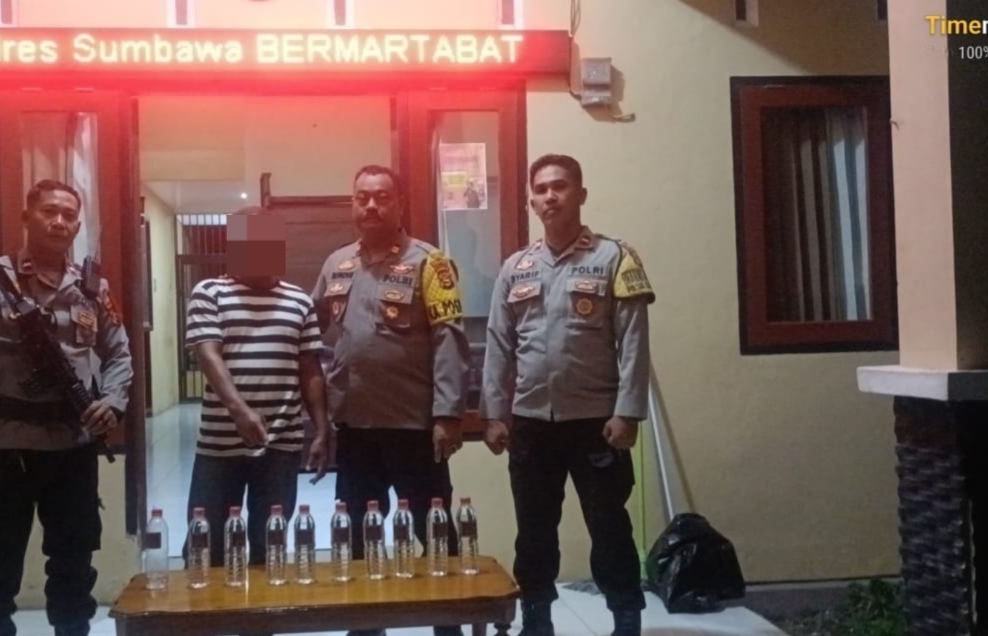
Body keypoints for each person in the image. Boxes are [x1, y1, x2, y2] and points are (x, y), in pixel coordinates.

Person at [0, 179, 133, 636]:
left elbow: (118, 352)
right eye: (48, 211)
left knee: (73, 566)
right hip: (5, 448)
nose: (59, 221)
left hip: (72, 448)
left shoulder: (91, 287)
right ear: (26, 217)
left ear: (78, 225)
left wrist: (112, 401)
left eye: (69, 215)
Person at [480, 154, 655, 636]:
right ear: (531, 201)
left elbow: (634, 341)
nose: (549, 196)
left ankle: (625, 619)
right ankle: (537, 619)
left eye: (559, 186)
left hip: (597, 422)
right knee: (534, 532)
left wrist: (628, 412)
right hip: (531, 423)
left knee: (609, 528)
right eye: (540, 189)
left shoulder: (614, 258)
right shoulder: (516, 267)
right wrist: (493, 414)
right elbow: (498, 345)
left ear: (581, 194)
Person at [312, 165, 469, 636]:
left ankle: (449, 626)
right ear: (352, 204)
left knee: (432, 531)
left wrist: (448, 414)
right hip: (355, 428)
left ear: (400, 204)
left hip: (413, 426)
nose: (371, 206)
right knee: (359, 536)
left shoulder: (430, 263)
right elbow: (309, 330)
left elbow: (449, 340)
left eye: (382, 197)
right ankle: (366, 627)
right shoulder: (336, 264)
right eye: (362, 197)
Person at [183, 205, 330, 568]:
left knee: (271, 548)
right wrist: (240, 412)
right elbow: (208, 354)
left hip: (281, 445)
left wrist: (322, 429)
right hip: (220, 446)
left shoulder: (299, 301)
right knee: (207, 547)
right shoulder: (209, 292)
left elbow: (310, 369)